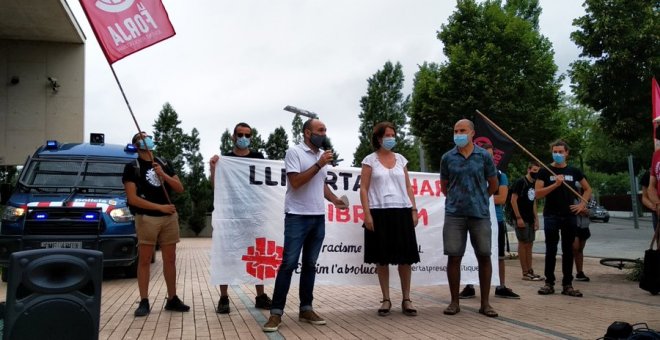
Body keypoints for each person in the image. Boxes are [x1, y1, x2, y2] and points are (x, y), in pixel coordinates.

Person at [262, 118, 348, 332]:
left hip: (318, 217)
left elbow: (321, 186)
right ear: (308, 133)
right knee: (289, 264)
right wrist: (319, 164)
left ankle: (306, 309)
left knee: (310, 264)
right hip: (297, 216)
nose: (324, 133)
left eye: (326, 129)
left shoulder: (321, 156)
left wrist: (335, 199)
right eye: (320, 130)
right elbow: (296, 182)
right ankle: (276, 313)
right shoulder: (295, 153)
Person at [122, 131, 190, 317]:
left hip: (169, 217)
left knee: (170, 259)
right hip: (147, 218)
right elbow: (132, 199)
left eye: (148, 136)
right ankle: (144, 300)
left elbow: (179, 187)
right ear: (136, 144)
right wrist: (160, 208)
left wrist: (163, 175)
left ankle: (172, 298)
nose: (148, 139)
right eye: (143, 137)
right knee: (144, 259)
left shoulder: (164, 163)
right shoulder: (132, 167)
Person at [209, 122, 272, 314]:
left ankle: (260, 296)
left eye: (248, 135)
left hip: (254, 214)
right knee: (226, 254)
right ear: (233, 137)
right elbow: (216, 187)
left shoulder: (258, 158)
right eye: (240, 134)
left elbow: (267, 185)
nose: (244, 138)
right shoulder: (225, 160)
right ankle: (224, 297)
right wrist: (213, 169)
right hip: (231, 215)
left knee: (257, 254)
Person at [359, 122, 420, 317]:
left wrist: (414, 209)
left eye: (393, 134)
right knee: (382, 259)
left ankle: (407, 298)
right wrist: (367, 214)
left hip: (402, 211)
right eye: (387, 135)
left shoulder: (401, 159)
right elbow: (363, 188)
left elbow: (409, 187)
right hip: (379, 212)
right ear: (378, 138)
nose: (391, 138)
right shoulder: (369, 160)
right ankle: (386, 298)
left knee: (405, 259)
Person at [440, 119, 499, 318]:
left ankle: (485, 304)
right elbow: (444, 187)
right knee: (454, 256)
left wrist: (479, 198)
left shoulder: (484, 156)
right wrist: (458, 199)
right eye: (456, 130)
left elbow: (493, 184)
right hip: (454, 214)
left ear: (472, 133)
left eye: (462, 130)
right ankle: (454, 302)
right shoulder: (447, 157)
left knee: (484, 255)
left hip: (479, 214)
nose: (458, 134)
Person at [458, 143, 520, 299]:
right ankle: (469, 285)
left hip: (496, 220)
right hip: (471, 218)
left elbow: (502, 198)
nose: (488, 159)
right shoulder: (469, 173)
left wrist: (476, 197)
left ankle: (501, 286)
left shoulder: (500, 175)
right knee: (470, 252)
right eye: (485, 155)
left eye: (490, 156)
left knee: (498, 255)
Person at [535, 140, 591, 298]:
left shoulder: (574, 171)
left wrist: (581, 205)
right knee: (550, 250)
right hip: (551, 214)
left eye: (560, 151)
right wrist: (555, 184)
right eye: (555, 151)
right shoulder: (545, 171)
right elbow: (537, 194)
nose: (557, 154)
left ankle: (568, 284)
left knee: (569, 250)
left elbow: (587, 189)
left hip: (569, 215)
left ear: (567, 153)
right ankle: (549, 283)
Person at [510, 162, 543, 281]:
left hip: (530, 218)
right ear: (529, 169)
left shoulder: (534, 184)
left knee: (530, 244)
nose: (536, 173)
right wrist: (518, 218)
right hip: (521, 217)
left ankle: (530, 269)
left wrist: (536, 219)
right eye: (534, 170)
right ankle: (524, 271)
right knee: (523, 243)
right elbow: (513, 200)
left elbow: (534, 201)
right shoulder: (520, 182)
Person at [573, 181, 595, 282]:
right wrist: (580, 210)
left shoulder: (590, 197)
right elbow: (571, 208)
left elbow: (593, 211)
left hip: (584, 226)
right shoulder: (571, 195)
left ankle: (580, 272)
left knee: (580, 249)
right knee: (574, 248)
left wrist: (586, 211)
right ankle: (568, 271)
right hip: (574, 225)